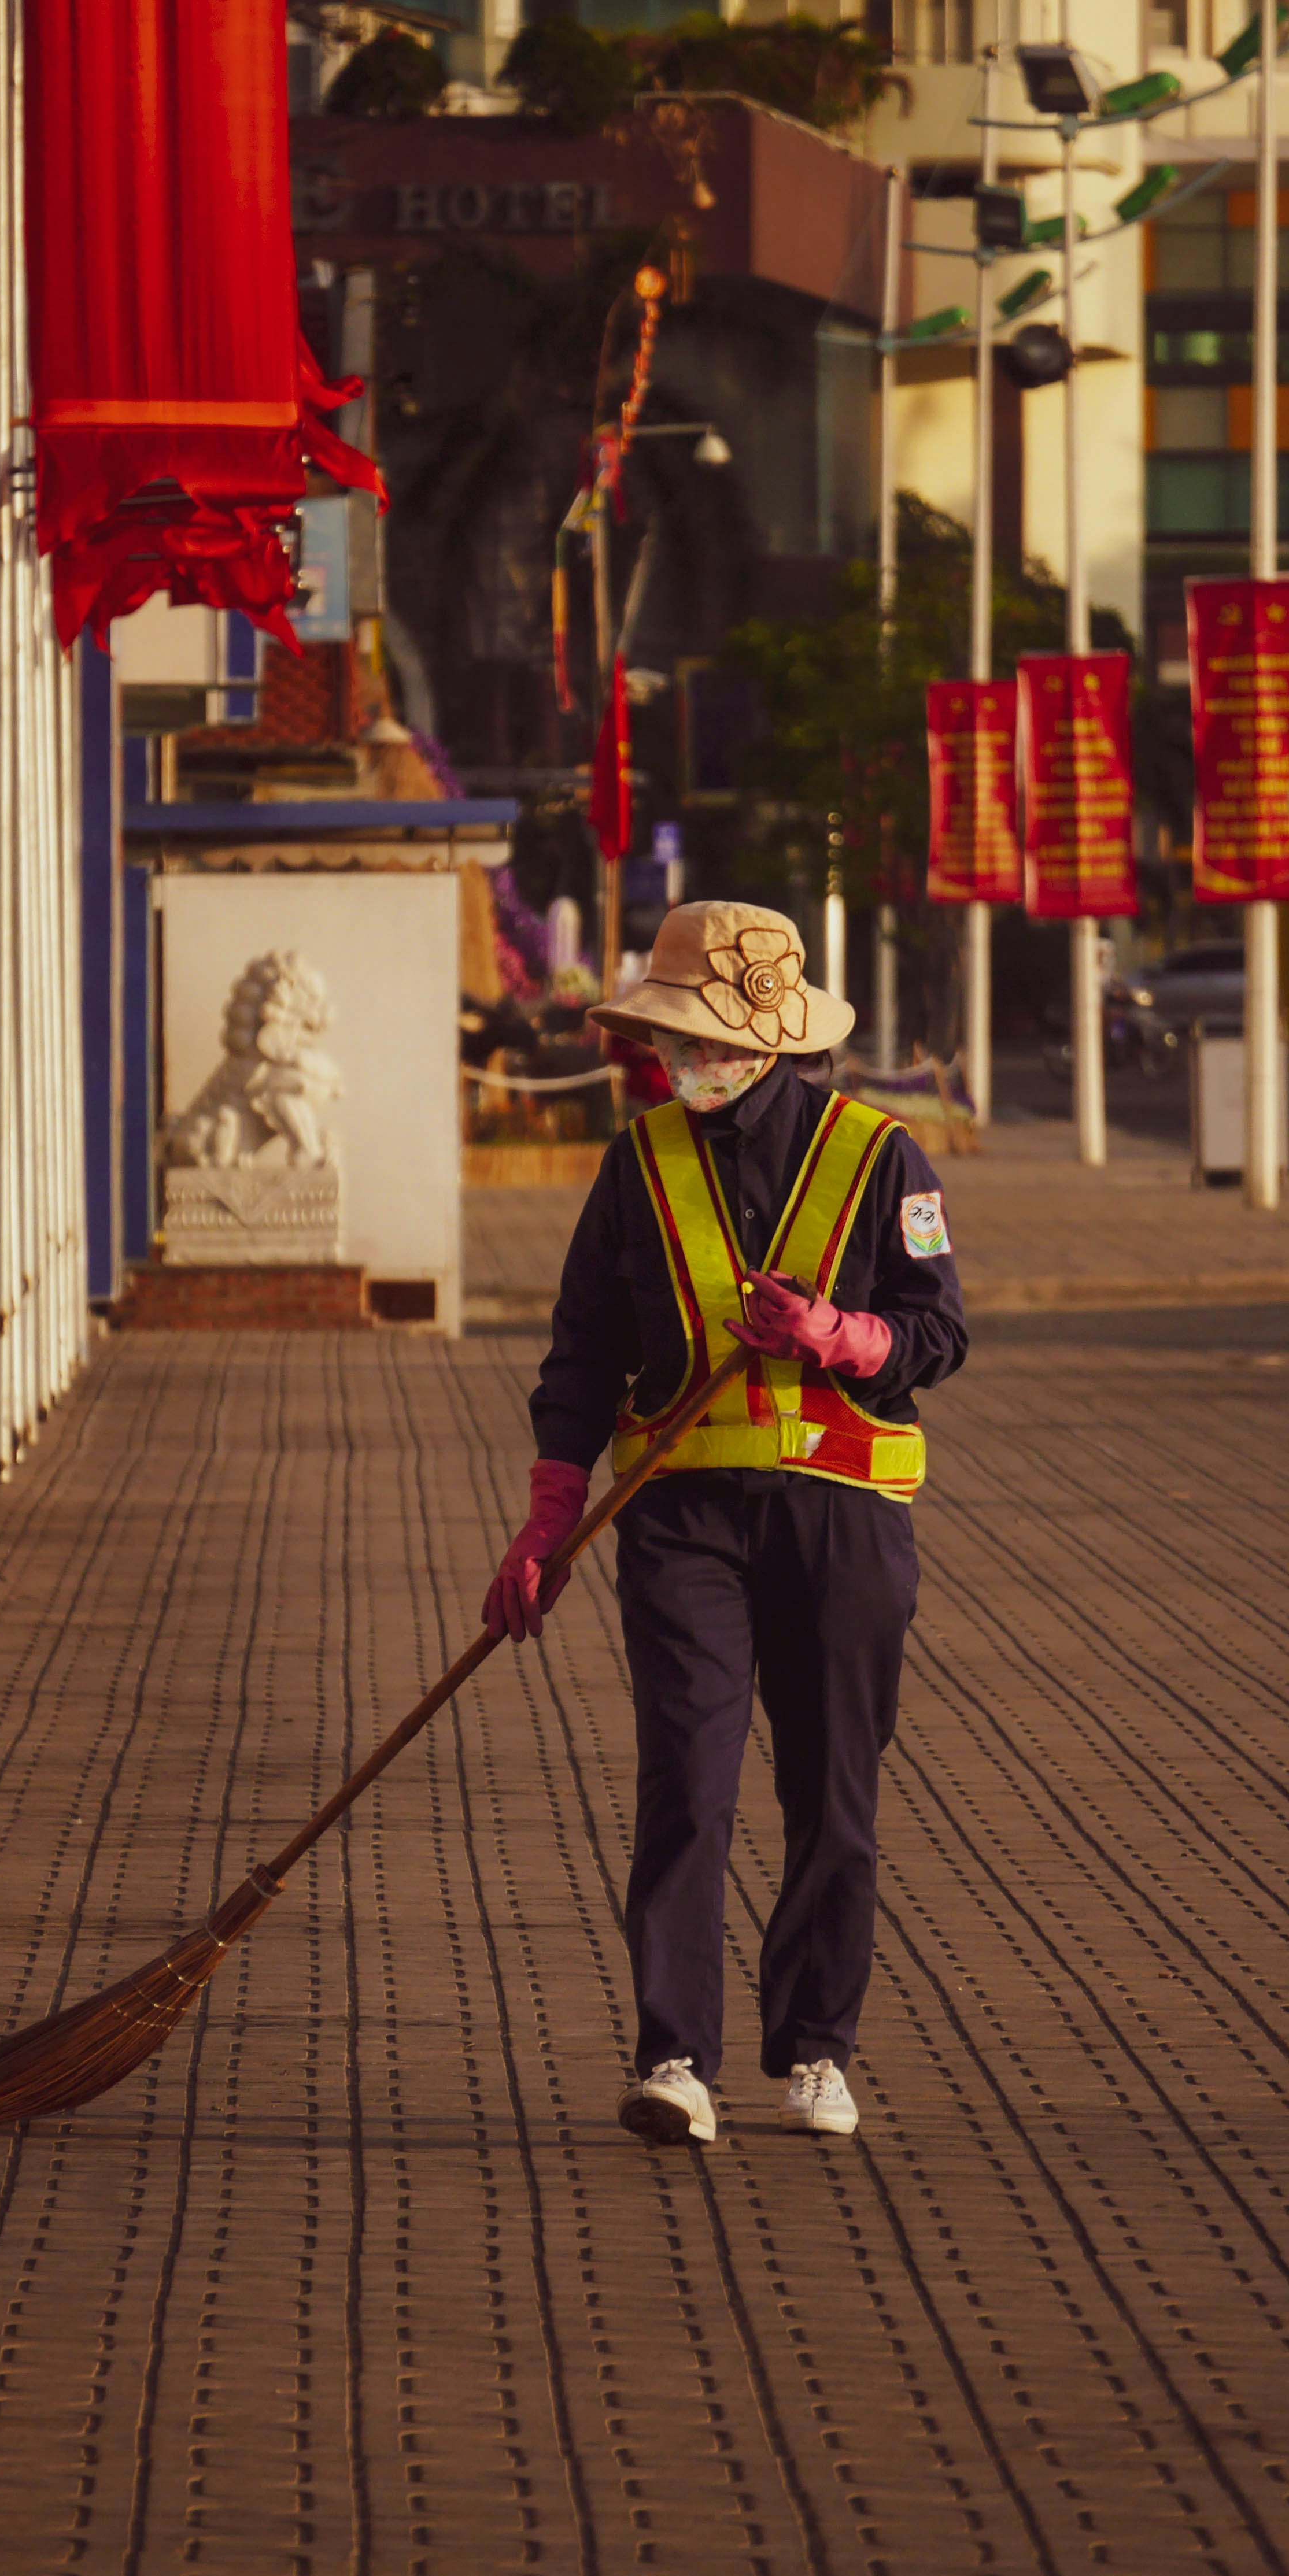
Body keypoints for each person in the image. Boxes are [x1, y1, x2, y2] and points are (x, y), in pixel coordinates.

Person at [483, 902, 969, 2145]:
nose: (676, 1063)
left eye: (697, 1041)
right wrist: (546, 1518)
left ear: (766, 1045)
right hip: (679, 1518)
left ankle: (813, 2049)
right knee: (686, 1783)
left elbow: (937, 1332)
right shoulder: (637, 1162)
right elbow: (581, 1352)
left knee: (830, 1790)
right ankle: (672, 2055)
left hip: (842, 1518)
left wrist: (835, 1336)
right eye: (667, 1042)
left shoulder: (878, 1158)